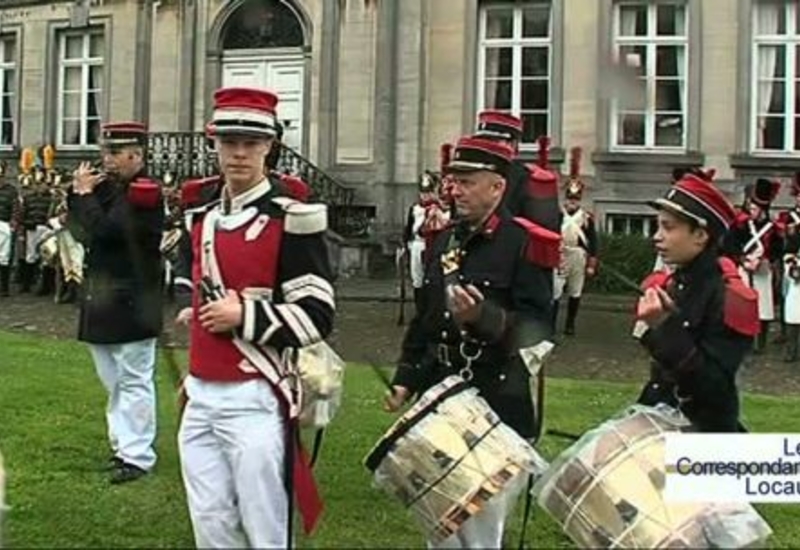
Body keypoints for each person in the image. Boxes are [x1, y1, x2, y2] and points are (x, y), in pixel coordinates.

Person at [174, 87, 334, 548]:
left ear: (269, 146)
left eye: (250, 142)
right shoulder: (201, 216)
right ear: (215, 145)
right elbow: (199, 273)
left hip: (255, 395)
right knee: (210, 523)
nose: (239, 153)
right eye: (229, 142)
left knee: (265, 527)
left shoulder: (293, 219)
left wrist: (243, 315)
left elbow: (318, 316)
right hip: (201, 390)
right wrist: (196, 307)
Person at [385, 135, 559, 548]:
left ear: (497, 187)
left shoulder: (523, 244)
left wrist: (484, 319)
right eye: (453, 181)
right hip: (440, 395)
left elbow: (539, 326)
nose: (454, 189)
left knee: (479, 532)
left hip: (495, 400)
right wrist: (406, 376)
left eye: (466, 182)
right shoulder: (444, 240)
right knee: (439, 525)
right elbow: (426, 319)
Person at [68, 121, 165, 484]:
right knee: (112, 380)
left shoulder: (144, 192)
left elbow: (108, 232)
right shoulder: (108, 189)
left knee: (134, 379)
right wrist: (77, 193)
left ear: (136, 155)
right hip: (103, 297)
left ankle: (138, 455)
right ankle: (122, 444)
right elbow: (80, 228)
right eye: (105, 152)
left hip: (132, 299)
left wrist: (84, 196)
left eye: (115, 153)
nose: (106, 160)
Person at [635, 172, 759, 433]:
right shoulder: (676, 281)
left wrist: (663, 325)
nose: (657, 237)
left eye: (668, 227)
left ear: (700, 236)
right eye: (658, 227)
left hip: (706, 433)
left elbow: (714, 391)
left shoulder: (729, 297)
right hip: (662, 417)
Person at [724, 178, 783, 353]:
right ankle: (742, 339)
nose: (752, 211)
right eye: (751, 208)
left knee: (764, 307)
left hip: (762, 269)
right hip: (743, 267)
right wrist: (741, 258)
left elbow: (777, 248)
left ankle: (760, 343)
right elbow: (728, 244)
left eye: (756, 208)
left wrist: (766, 259)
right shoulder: (740, 225)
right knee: (742, 304)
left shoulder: (771, 227)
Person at [553, 147, 598, 336]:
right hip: (560, 254)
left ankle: (570, 324)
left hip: (578, 256)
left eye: (575, 199)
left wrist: (591, 264)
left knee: (575, 291)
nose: (572, 202)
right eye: (570, 198)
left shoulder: (586, 218)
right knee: (555, 291)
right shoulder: (557, 215)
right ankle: (551, 323)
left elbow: (593, 242)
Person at [403, 171, 440, 314]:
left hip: (431, 246)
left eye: (428, 192)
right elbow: (409, 228)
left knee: (430, 279)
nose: (425, 196)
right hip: (416, 246)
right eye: (423, 193)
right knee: (416, 278)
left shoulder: (438, 209)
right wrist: (404, 243)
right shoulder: (414, 208)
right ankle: (420, 310)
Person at [777, 174, 800, 362]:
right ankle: (792, 349)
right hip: (796, 265)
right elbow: (788, 246)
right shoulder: (791, 219)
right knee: (793, 308)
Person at [0, 161, 17, 297]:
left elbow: (16, 207)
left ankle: (3, 287)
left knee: (4, 257)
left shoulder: (11, 190)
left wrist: (13, 222)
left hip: (4, 224)